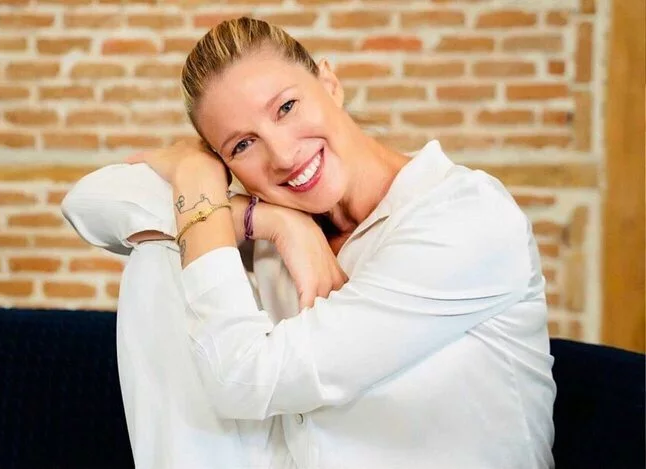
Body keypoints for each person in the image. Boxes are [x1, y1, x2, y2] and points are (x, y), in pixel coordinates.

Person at [63, 17, 556, 469]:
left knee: (182, 238)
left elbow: (245, 379)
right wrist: (270, 220)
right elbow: (88, 203)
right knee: (159, 255)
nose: (281, 155)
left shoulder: (464, 216)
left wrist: (195, 174)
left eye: (286, 107)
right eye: (242, 145)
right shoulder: (287, 220)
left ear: (330, 84)